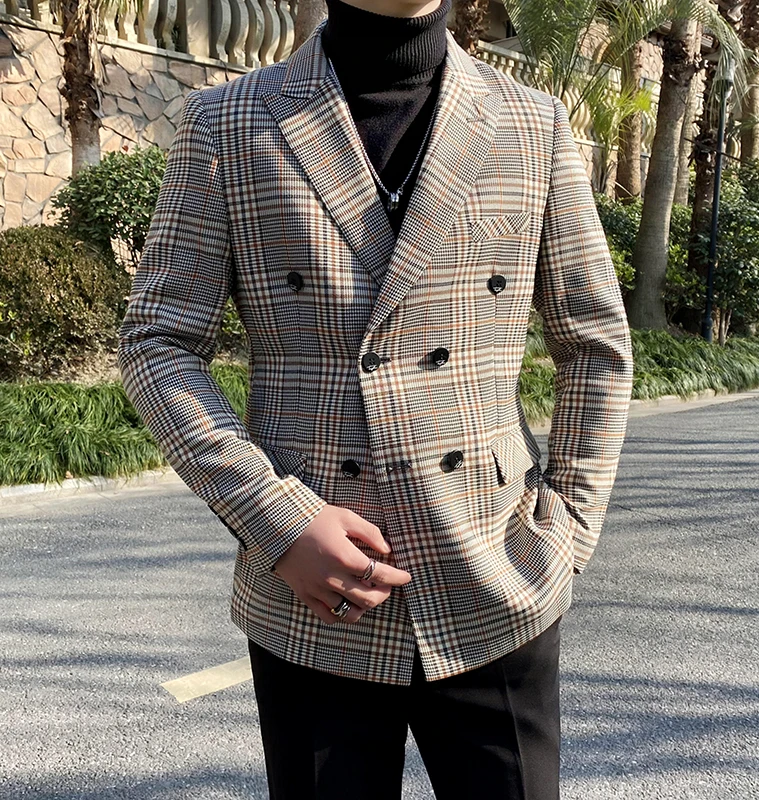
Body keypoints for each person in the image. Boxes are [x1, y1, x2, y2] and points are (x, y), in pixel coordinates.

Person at [118, 0, 634, 797]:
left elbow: (595, 343)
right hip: (313, 600)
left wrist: (567, 529)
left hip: (499, 576)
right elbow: (158, 342)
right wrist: (278, 521)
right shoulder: (228, 123)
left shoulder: (532, 123)